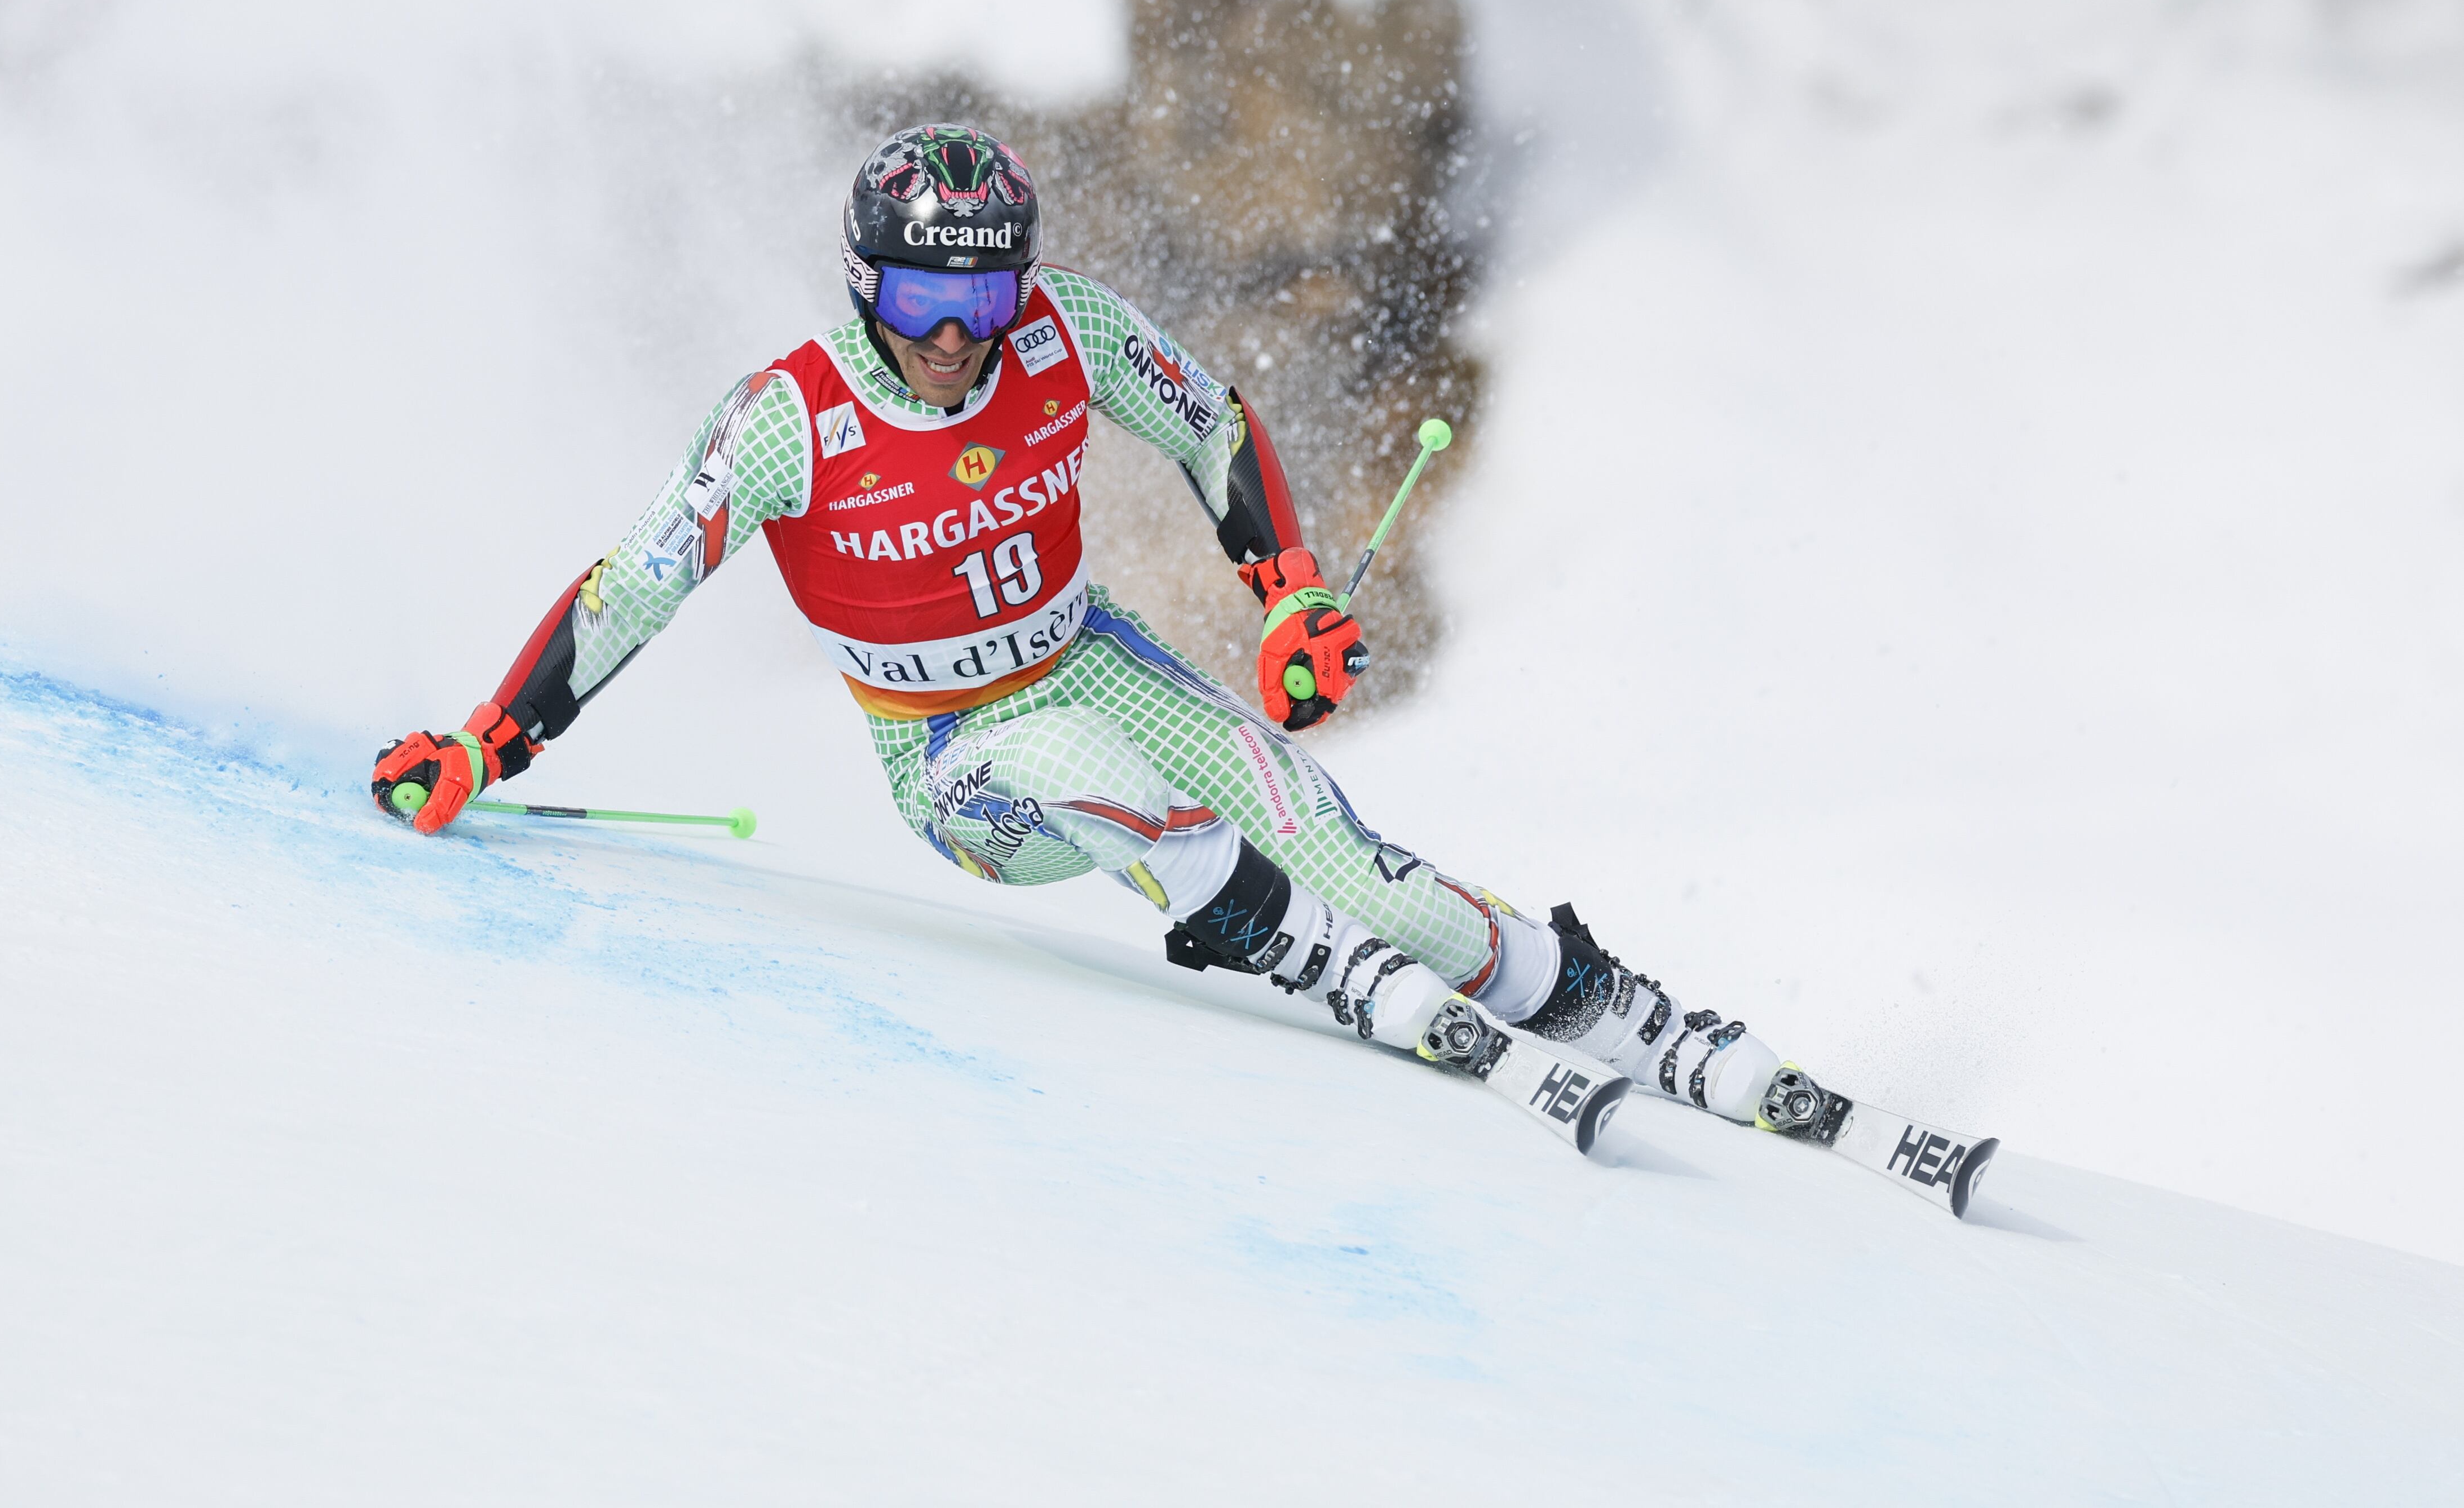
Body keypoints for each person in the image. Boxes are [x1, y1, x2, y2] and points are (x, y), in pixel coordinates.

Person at [373, 123, 1798, 1129]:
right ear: (866, 280)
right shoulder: (787, 421)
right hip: (952, 759)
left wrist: (1288, 593)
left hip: (1101, 661)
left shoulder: (1065, 334)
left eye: (982, 293)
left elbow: (1213, 426)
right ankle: (1300, 951)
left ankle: (1618, 1011)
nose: (954, 334)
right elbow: (637, 586)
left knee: (1362, 864)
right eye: (926, 296)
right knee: (1122, 793)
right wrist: (487, 745)